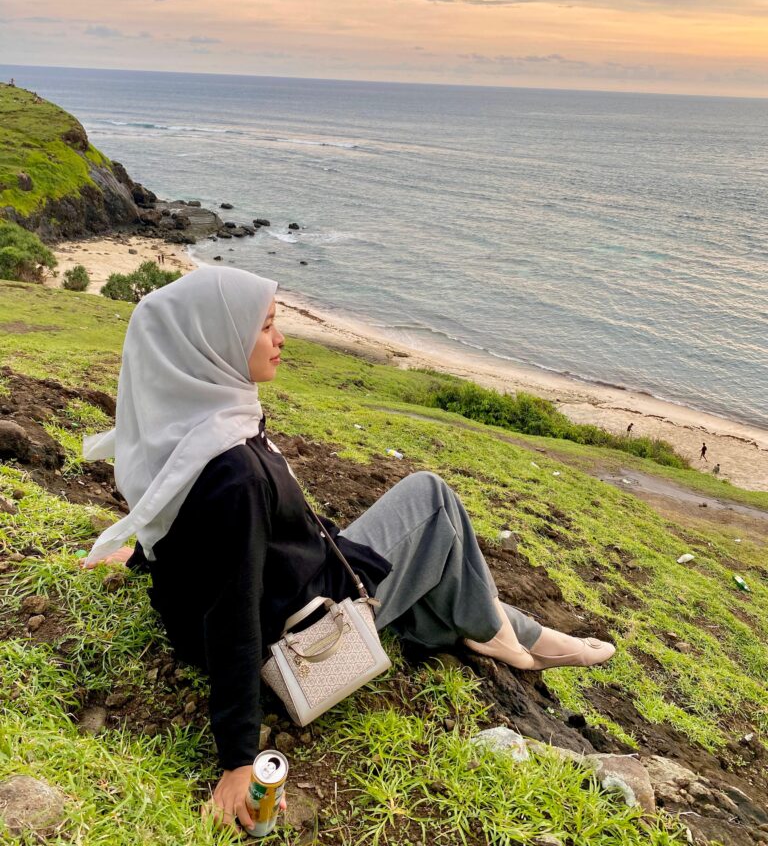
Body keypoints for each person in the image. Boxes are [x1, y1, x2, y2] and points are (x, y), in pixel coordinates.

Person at [81, 267, 615, 833]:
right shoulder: (236, 472)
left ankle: (515, 632)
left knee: (433, 552)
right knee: (432, 500)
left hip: (292, 576)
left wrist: (141, 558)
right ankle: (510, 638)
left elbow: (182, 520)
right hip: (307, 624)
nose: (280, 338)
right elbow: (232, 612)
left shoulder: (192, 425)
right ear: (218, 341)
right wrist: (239, 761)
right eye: (265, 326)